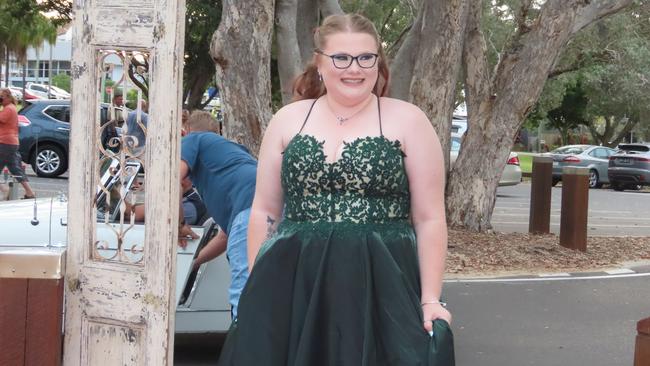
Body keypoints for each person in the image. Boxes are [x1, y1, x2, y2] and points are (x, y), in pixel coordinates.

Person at [217, 14, 454, 366]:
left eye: (365, 58)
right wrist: (257, 283)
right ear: (320, 62)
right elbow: (264, 210)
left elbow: (429, 217)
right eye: (341, 58)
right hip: (294, 277)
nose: (354, 69)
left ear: (378, 61)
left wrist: (430, 298)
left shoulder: (409, 120)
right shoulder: (288, 119)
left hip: (381, 280)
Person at [179, 110, 257, 320]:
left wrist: (180, 225)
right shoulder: (233, 155)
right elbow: (225, 237)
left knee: (244, 290)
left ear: (185, 132)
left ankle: (243, 348)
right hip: (271, 207)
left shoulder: (193, 139)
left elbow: (173, 178)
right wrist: (192, 263)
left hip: (250, 209)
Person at [0, 88, 36, 199]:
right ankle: (29, 193)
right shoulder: (9, 108)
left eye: (2, 97)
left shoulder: (9, 109)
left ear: (8, 97)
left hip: (5, 142)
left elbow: (1, 119)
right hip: (9, 143)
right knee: (15, 168)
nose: (0, 99)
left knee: (15, 168)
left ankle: (5, 189)